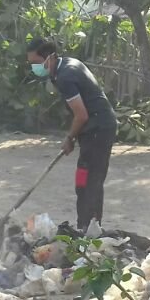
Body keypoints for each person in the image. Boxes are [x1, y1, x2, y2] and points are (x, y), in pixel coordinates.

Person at [26, 38, 117, 233]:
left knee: (90, 182)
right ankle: (88, 226)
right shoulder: (64, 66)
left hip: (99, 130)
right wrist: (75, 137)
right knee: (84, 180)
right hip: (92, 129)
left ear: (49, 57)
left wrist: (69, 138)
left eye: (36, 63)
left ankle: (88, 231)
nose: (34, 67)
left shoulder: (65, 76)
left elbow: (81, 114)